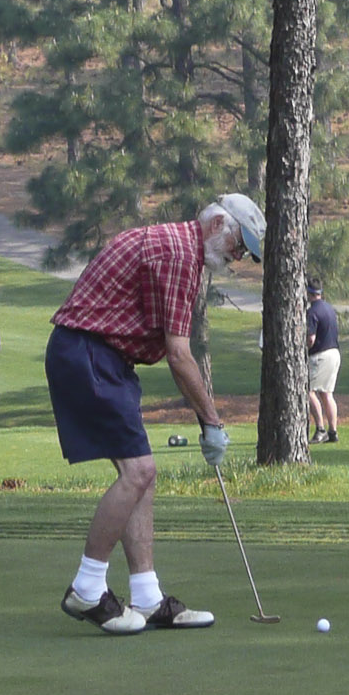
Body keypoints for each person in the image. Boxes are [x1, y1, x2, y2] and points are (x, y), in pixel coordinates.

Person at [45, 194, 266, 635]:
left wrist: (207, 418)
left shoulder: (183, 251)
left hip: (104, 357)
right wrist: (212, 422)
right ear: (217, 224)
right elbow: (179, 354)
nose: (238, 258)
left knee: (143, 475)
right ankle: (87, 588)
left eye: (244, 252)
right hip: (89, 352)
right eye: (239, 244)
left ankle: (147, 597)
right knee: (139, 471)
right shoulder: (178, 255)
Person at [306, 279, 341, 444]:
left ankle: (320, 429)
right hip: (335, 353)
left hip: (320, 356)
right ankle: (332, 432)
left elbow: (311, 339)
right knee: (327, 394)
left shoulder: (312, 312)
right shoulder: (329, 309)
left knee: (307, 391)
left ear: (308, 293)